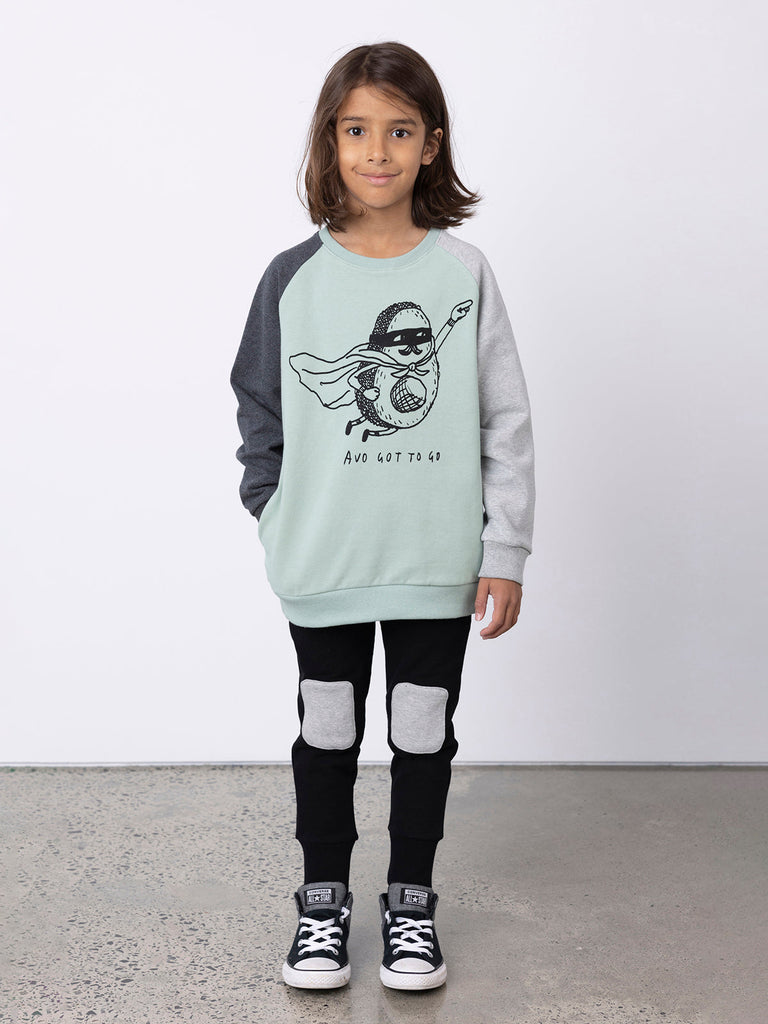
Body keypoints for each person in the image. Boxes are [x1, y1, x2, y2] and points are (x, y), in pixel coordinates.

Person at [230, 41, 535, 992]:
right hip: (322, 560)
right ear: (331, 141)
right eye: (357, 130)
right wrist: (275, 511)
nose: (377, 151)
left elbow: (505, 418)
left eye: (400, 132)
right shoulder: (292, 277)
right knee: (326, 730)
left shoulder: (463, 273)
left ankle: (411, 903)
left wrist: (505, 547)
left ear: (431, 145)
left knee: (421, 731)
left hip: (435, 563)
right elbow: (260, 404)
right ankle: (322, 904)